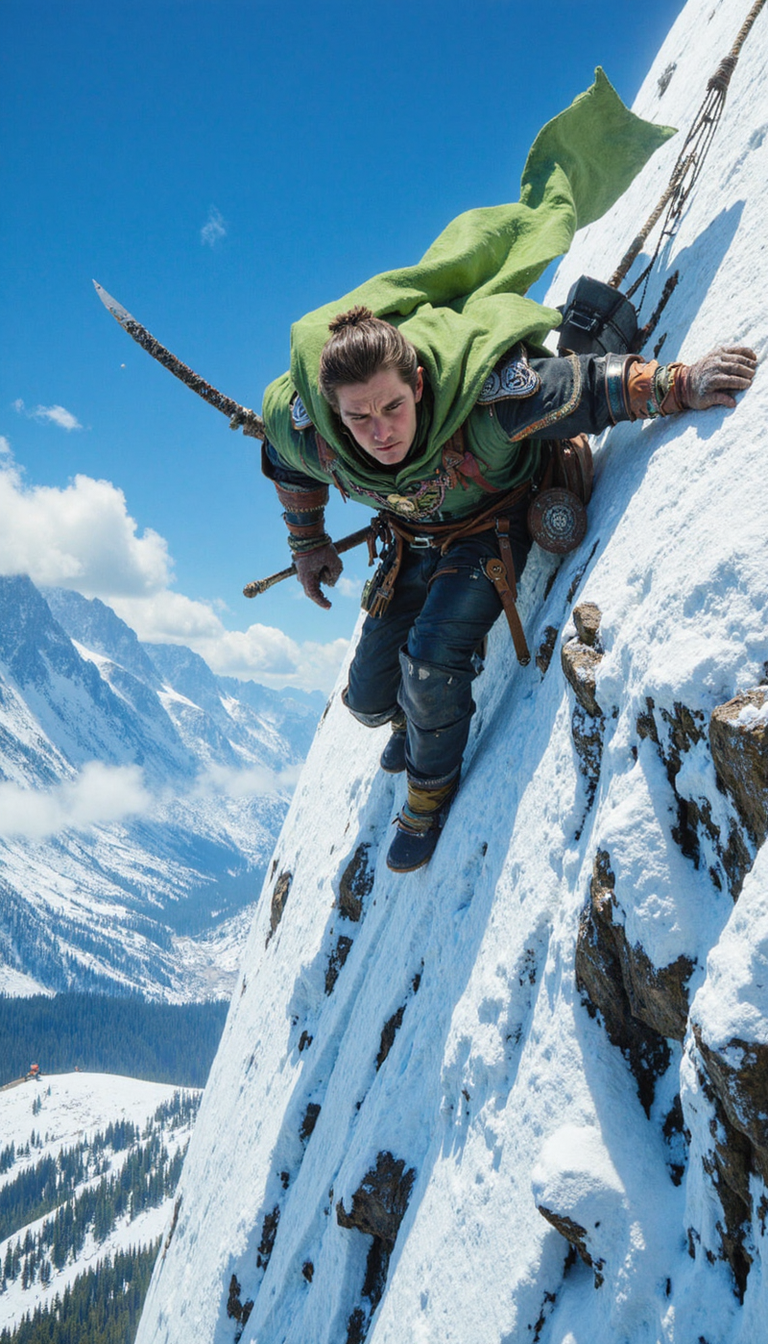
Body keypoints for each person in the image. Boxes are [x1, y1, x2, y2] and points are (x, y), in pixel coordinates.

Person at [257, 71, 757, 872]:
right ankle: (417, 726)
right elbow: (285, 457)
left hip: (493, 522)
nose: (379, 433)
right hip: (413, 537)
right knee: (367, 698)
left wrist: (682, 382)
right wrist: (305, 539)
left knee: (430, 663)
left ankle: (428, 793)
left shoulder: (489, 398)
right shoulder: (310, 424)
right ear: (331, 409)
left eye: (391, 408)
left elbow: (590, 390)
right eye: (360, 418)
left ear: (418, 383)